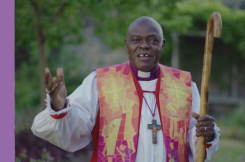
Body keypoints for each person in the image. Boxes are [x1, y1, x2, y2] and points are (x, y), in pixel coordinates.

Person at [31, 16, 220, 162]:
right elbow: (76, 129)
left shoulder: (184, 86)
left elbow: (195, 144)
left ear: (162, 45)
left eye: (152, 40)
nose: (144, 46)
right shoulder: (101, 82)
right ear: (127, 45)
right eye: (136, 40)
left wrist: (207, 133)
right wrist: (60, 105)